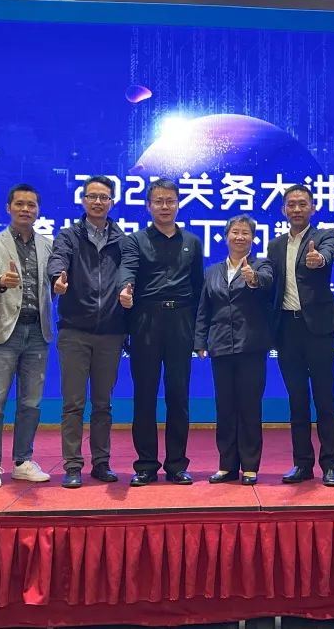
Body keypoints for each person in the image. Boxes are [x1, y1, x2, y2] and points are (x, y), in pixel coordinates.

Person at [117, 178, 204, 487]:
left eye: (170, 201)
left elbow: (198, 289)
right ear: (148, 206)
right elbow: (127, 269)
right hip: (146, 320)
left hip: (181, 320)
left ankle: (177, 465)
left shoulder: (192, 242)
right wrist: (125, 288)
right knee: (144, 396)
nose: (165, 206)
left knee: (178, 396)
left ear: (178, 204)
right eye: (159, 201)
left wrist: (199, 333)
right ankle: (146, 465)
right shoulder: (136, 240)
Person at [47, 176, 127, 488]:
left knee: (103, 404)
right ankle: (72, 465)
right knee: (73, 403)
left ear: (112, 202)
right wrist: (57, 278)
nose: (97, 202)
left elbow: (130, 273)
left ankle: (101, 463)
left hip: (111, 332)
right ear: (83, 200)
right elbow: (58, 260)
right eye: (92, 196)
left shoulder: (122, 240)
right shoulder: (69, 236)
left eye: (103, 197)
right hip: (75, 331)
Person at [0, 184, 53, 489]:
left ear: (38, 210)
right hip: (3, 331)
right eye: (19, 204)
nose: (25, 209)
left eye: (31, 205)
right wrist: (1, 281)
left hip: (38, 331)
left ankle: (22, 461)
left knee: (31, 403)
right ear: (9, 207)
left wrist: (59, 287)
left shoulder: (48, 244)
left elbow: (54, 281)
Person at [267, 184, 334, 487]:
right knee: (297, 400)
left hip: (319, 329)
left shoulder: (325, 236)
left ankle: (331, 465)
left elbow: (326, 256)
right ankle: (302, 463)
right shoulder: (275, 245)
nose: (297, 209)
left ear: (312, 208)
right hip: (287, 329)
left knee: (325, 399)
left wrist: (318, 260)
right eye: (291, 204)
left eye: (302, 204)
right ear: (283, 209)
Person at [194, 216, 274, 485]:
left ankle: (250, 466)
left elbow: (267, 284)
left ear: (253, 238)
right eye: (235, 232)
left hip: (251, 346)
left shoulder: (262, 265)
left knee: (249, 407)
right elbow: (204, 308)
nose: (240, 237)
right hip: (220, 346)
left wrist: (253, 279)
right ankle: (227, 465)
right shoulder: (212, 271)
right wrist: (200, 341)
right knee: (225, 407)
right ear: (226, 236)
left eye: (245, 233)